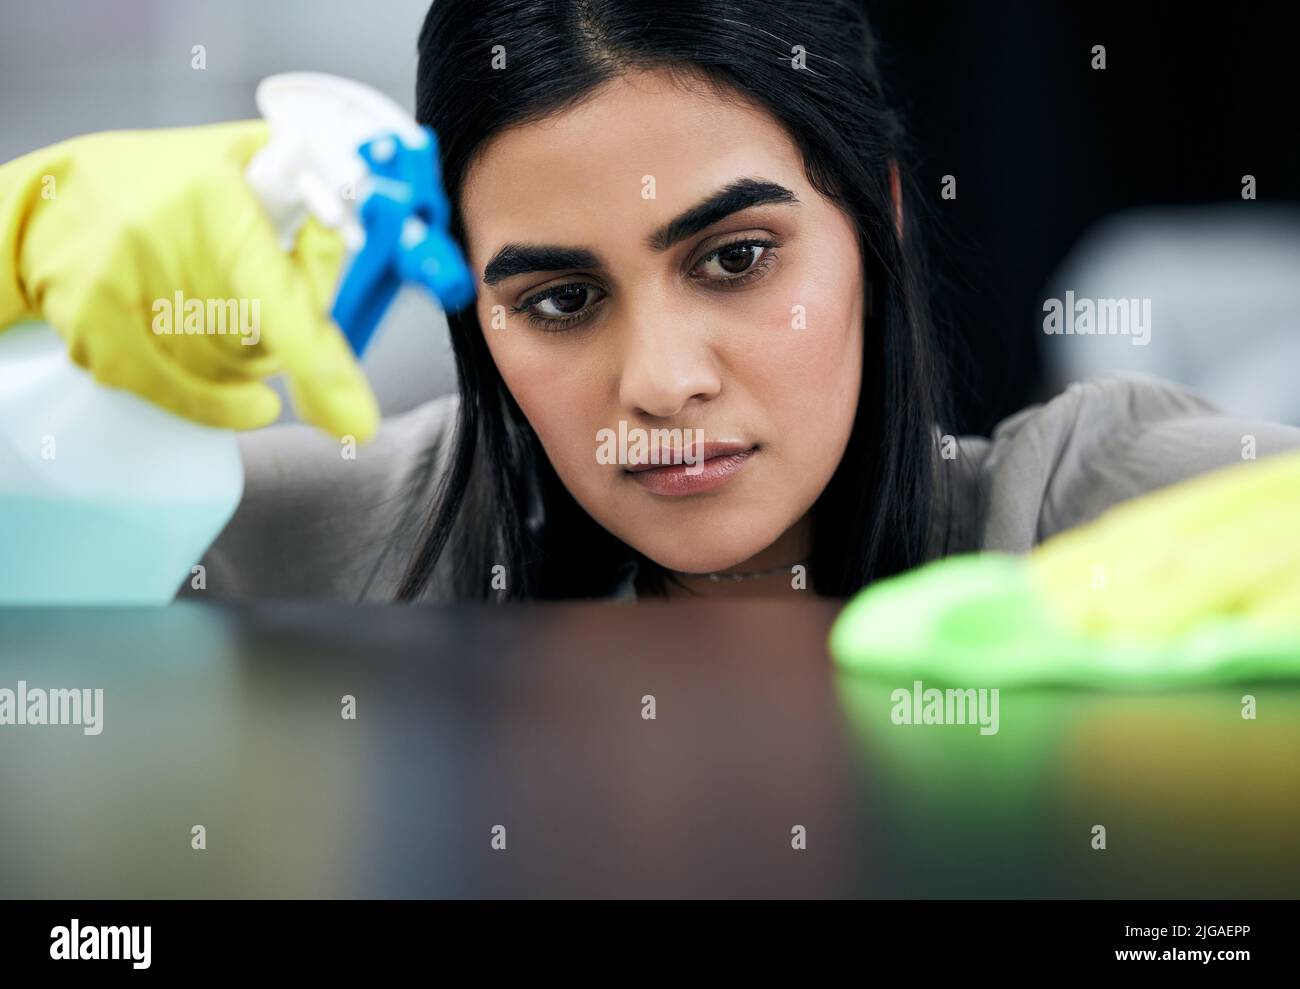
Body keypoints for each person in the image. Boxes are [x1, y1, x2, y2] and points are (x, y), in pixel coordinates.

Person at [1, 0, 1297, 606]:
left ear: (881, 220)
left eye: (734, 258)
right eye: (560, 296)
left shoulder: (1093, 507)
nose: (661, 380)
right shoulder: (320, 545)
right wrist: (19, 252)